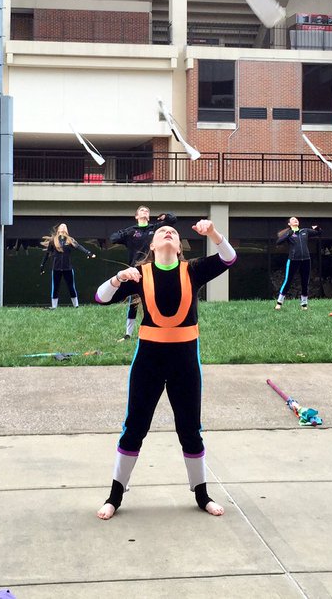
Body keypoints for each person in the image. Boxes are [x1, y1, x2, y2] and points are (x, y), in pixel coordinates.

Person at [92, 218, 235, 520]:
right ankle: (115, 495)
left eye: (172, 232)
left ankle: (202, 495)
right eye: (161, 233)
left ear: (179, 248)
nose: (167, 233)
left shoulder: (192, 271)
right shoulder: (139, 275)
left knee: (190, 430)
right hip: (149, 362)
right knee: (134, 428)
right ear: (153, 246)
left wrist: (212, 233)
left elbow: (229, 257)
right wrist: (119, 278)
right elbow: (100, 298)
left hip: (185, 362)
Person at [110, 207, 177, 339]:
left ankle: (160, 329)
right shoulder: (131, 231)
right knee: (133, 302)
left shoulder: (155, 228)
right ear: (136, 216)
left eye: (147, 211)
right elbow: (113, 238)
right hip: (135, 270)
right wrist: (124, 233)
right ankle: (128, 334)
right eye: (142, 210)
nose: (145, 212)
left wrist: (166, 216)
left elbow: (173, 220)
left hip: (153, 267)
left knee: (156, 299)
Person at [40, 223, 95, 308]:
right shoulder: (53, 241)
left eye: (65, 226)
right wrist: (42, 265)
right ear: (58, 229)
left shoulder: (70, 240)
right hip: (56, 268)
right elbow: (47, 254)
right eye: (61, 226)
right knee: (55, 287)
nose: (63, 227)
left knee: (71, 287)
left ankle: (76, 305)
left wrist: (88, 252)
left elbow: (79, 247)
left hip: (67, 268)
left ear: (66, 230)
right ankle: (54, 306)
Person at [274, 217, 322, 310]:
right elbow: (278, 242)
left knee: (305, 282)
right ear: (289, 224)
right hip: (293, 260)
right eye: (292, 219)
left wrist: (317, 228)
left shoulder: (305, 231)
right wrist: (288, 234)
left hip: (306, 260)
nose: (295, 220)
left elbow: (319, 233)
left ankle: (304, 304)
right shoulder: (289, 233)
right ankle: (279, 303)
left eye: (296, 219)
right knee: (288, 281)